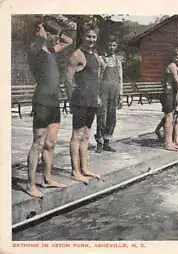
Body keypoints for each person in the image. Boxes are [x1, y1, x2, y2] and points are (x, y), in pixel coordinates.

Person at [26, 21, 73, 198]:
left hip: (54, 101)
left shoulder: (52, 51)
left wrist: (58, 28)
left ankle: (47, 178)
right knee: (38, 143)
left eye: (55, 35)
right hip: (42, 101)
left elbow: (68, 40)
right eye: (50, 33)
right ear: (40, 31)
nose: (54, 37)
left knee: (50, 143)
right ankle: (31, 186)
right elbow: (40, 38)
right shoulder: (35, 50)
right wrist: (42, 27)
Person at [65, 24, 104, 184]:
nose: (91, 39)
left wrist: (98, 96)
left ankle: (85, 168)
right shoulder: (77, 55)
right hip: (80, 100)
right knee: (77, 135)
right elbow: (68, 79)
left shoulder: (94, 55)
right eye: (88, 36)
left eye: (94, 37)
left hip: (92, 100)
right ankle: (75, 171)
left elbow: (97, 76)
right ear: (83, 37)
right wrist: (70, 100)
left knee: (87, 135)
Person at [94, 35, 123, 153]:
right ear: (106, 45)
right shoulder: (101, 59)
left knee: (112, 117)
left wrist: (121, 95)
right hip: (103, 91)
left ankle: (107, 141)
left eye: (114, 45)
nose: (112, 47)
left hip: (115, 91)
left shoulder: (118, 60)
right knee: (102, 116)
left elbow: (121, 78)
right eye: (110, 45)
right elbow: (97, 78)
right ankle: (99, 142)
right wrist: (97, 94)